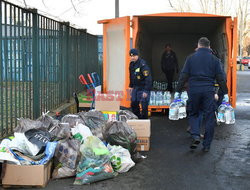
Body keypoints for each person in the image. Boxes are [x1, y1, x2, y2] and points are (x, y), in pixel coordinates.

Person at [175, 37, 228, 152]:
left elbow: (183, 76)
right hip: (209, 91)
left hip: (193, 90)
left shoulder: (190, 58)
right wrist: (225, 93)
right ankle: (206, 145)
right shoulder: (215, 60)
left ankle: (195, 136)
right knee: (209, 118)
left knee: (194, 113)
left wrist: (177, 91)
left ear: (198, 46)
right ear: (209, 47)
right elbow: (221, 78)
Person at [129, 48, 152, 119]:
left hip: (143, 87)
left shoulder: (142, 64)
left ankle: (144, 122)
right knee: (133, 104)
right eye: (131, 56)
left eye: (134, 56)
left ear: (137, 55)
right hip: (136, 87)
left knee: (144, 106)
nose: (132, 57)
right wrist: (131, 86)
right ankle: (137, 119)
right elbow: (131, 76)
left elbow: (148, 78)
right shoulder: (131, 64)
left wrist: (146, 91)